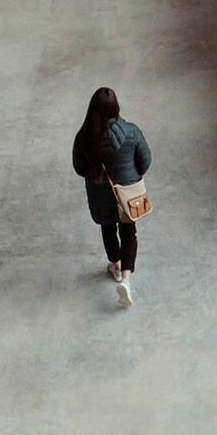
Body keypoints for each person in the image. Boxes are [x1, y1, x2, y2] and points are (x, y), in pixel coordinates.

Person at [71, 87, 151, 308]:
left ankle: (115, 266)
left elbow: (79, 168)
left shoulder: (84, 137)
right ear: (116, 107)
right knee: (128, 232)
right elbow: (145, 160)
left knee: (108, 229)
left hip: (99, 196)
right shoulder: (132, 132)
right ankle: (126, 277)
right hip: (127, 193)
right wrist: (132, 174)